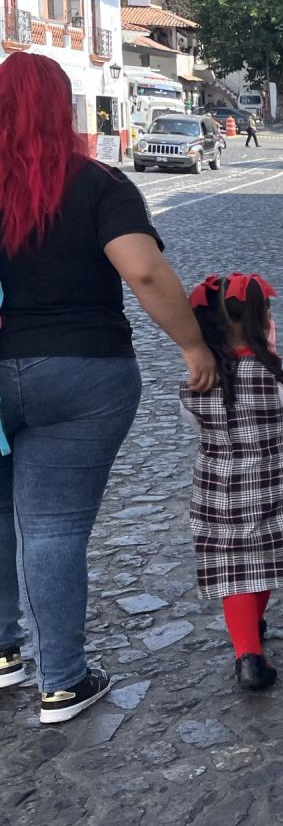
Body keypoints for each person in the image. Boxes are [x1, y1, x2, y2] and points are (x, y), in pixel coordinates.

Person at [0, 54, 218, 724]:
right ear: (63, 109)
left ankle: (5, 651)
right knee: (54, 524)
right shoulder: (98, 185)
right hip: (83, 371)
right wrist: (192, 344)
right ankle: (61, 680)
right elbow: (144, 273)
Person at [181, 273, 283, 692]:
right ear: (264, 319)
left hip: (215, 485)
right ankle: (249, 645)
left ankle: (249, 643)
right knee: (263, 557)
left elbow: (192, 420)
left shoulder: (196, 378)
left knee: (233, 564)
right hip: (272, 482)